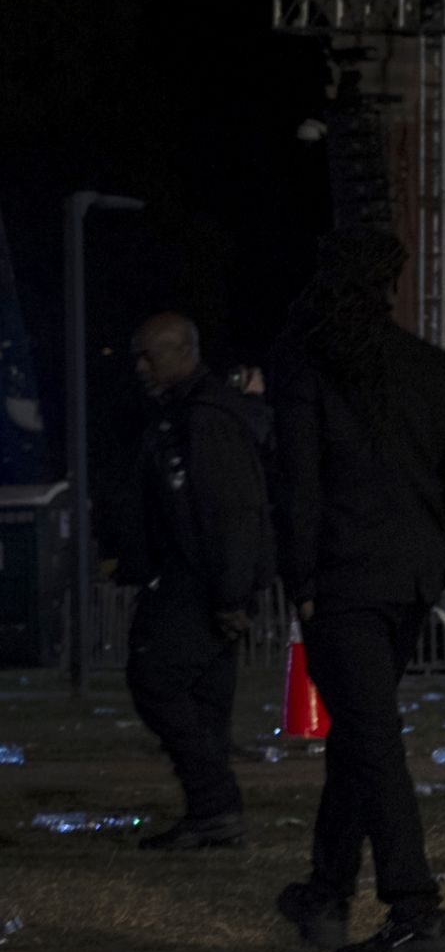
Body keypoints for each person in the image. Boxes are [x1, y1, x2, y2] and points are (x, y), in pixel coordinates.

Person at [269, 247, 445, 952]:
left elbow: (298, 483)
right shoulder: (436, 370)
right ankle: (328, 890)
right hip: (408, 577)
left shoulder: (315, 365)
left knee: (370, 737)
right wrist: (434, 565)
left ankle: (415, 908)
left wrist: (302, 579)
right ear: (390, 287)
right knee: (362, 734)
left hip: (344, 578)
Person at [111, 313, 272, 850]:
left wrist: (230, 594)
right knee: (204, 698)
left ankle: (214, 803)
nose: (140, 366)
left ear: (183, 353)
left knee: (156, 678)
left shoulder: (202, 420)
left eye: (149, 355)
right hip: (202, 577)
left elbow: (231, 511)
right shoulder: (191, 415)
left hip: (197, 580)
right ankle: (211, 812)